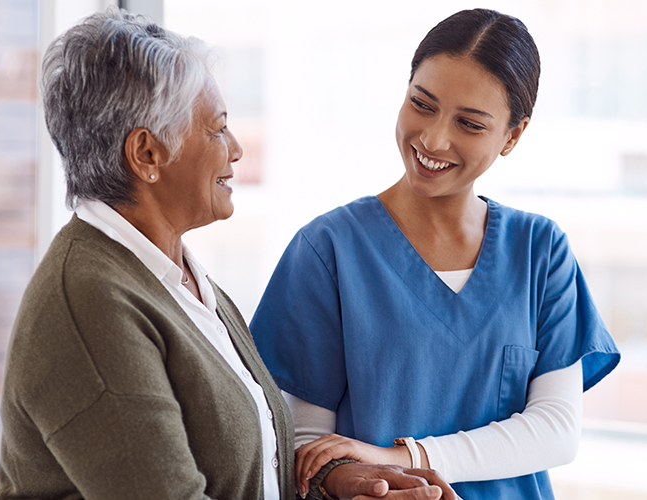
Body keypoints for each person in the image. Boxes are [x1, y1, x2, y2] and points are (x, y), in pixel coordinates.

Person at [0, 8, 456, 500]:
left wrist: (331, 483)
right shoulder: (90, 303)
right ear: (147, 154)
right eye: (217, 129)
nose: (235, 149)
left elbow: (241, 458)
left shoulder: (173, 273)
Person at [250, 8, 621, 500]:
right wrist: (365, 479)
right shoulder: (328, 251)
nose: (432, 138)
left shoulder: (539, 251)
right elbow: (308, 443)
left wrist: (406, 457)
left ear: (513, 135)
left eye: (469, 123)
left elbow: (555, 428)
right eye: (421, 104)